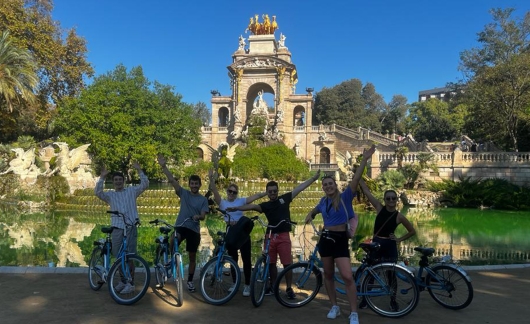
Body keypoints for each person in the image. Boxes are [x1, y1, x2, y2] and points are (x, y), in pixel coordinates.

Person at [304, 145, 375, 324]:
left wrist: (365, 159)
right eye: (325, 185)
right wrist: (310, 214)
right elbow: (316, 209)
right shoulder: (322, 201)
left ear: (335, 185)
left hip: (340, 239)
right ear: (323, 188)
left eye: (330, 184)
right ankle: (334, 306)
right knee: (328, 274)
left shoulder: (345, 197)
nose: (328, 187)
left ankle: (353, 312)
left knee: (347, 276)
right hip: (325, 240)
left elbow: (357, 177)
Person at [227, 170, 322, 299]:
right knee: (270, 263)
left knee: (287, 264)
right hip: (270, 236)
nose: (272, 193)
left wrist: (313, 178)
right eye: (270, 191)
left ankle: (288, 288)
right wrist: (237, 208)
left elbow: (299, 188)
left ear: (278, 191)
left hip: (283, 235)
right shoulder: (265, 205)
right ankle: (272, 286)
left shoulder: (285, 199)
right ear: (267, 192)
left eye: (274, 191)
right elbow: (252, 206)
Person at [358, 179, 416, 311]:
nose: (391, 200)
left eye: (393, 198)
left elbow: (412, 231)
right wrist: (359, 179)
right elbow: (367, 192)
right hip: (377, 244)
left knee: (391, 274)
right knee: (371, 273)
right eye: (388, 198)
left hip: (390, 246)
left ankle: (393, 300)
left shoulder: (399, 216)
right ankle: (366, 299)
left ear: (397, 200)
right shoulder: (379, 208)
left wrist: (399, 239)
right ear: (384, 200)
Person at [208, 169, 267, 297]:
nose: (232, 194)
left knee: (246, 260)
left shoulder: (241, 201)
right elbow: (214, 191)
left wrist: (265, 193)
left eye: (234, 192)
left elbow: (255, 197)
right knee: (233, 259)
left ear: (237, 194)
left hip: (242, 233)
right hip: (231, 233)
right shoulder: (222, 203)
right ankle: (235, 283)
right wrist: (211, 178)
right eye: (230, 191)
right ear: (227, 192)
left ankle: (247, 285)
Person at [94, 161, 149, 294]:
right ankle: (123, 281)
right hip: (117, 228)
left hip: (130, 227)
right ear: (113, 182)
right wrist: (102, 177)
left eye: (120, 179)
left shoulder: (132, 191)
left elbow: (145, 184)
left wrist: (139, 170)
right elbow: (97, 192)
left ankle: (130, 282)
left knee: (129, 256)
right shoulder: (110, 195)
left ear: (124, 181)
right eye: (116, 180)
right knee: (118, 256)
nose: (118, 182)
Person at [157, 155, 209, 293]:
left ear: (199, 185)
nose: (194, 186)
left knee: (192, 257)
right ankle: (170, 258)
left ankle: (190, 281)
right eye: (192, 183)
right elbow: (172, 180)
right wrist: (163, 166)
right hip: (181, 225)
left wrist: (198, 216)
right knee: (174, 238)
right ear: (189, 184)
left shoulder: (203, 200)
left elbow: (204, 215)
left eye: (196, 184)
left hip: (194, 229)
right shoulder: (184, 193)